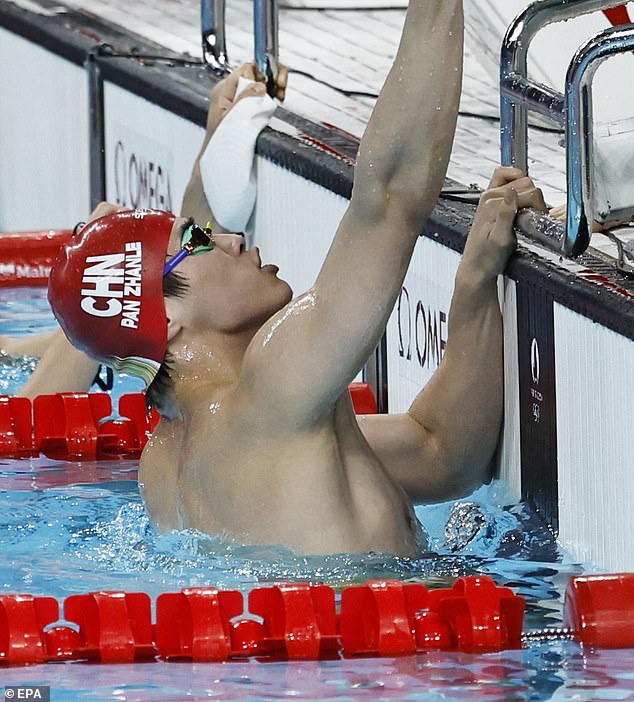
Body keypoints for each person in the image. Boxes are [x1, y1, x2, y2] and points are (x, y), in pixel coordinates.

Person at [49, 0, 546, 556]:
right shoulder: (272, 388)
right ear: (165, 321)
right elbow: (391, 197)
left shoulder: (163, 465)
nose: (231, 239)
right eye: (196, 241)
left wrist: (474, 284)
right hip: (407, 638)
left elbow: (443, 456)